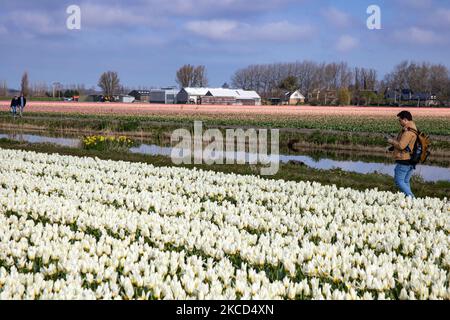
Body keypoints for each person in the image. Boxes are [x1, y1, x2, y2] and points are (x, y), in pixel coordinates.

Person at [386, 111, 418, 198]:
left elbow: (401, 146)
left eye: (400, 120)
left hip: (405, 159)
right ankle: (410, 199)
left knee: (399, 181)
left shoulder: (408, 132)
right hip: (411, 159)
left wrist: (391, 141)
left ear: (405, 120)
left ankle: (412, 198)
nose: (399, 122)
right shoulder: (412, 128)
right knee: (405, 181)